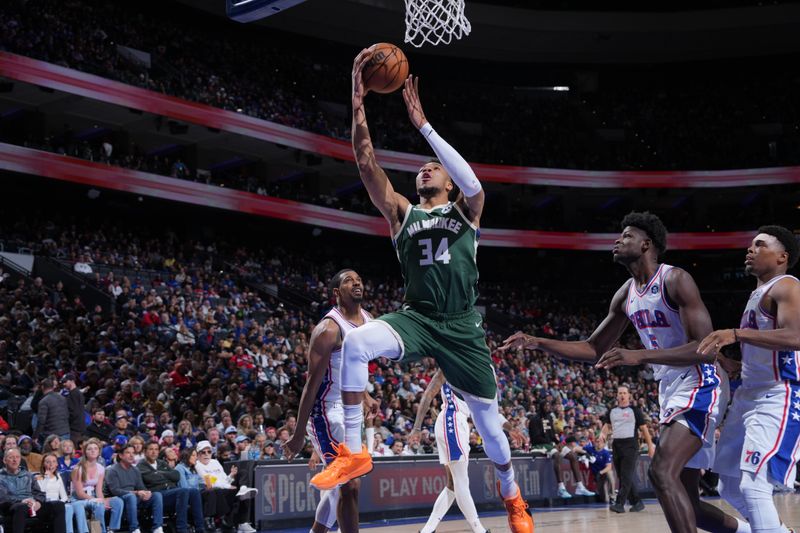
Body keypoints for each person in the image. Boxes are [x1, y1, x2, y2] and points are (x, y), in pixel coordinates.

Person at [309, 52, 533, 533]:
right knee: (355, 341)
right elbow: (366, 161)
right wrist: (357, 102)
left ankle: (512, 494)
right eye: (423, 167)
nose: (426, 170)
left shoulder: (465, 212)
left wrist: (424, 125)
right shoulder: (401, 215)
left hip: (463, 327)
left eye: (435, 168)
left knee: (492, 431)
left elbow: (473, 182)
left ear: (448, 183)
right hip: (418, 318)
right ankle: (352, 452)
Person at [502, 212, 744, 533]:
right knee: (688, 503)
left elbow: (707, 347)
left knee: (660, 473)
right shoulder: (626, 294)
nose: (618, 240)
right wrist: (537, 342)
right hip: (670, 386)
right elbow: (593, 349)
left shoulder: (675, 280)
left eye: (627, 236)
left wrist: (638, 355)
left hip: (702, 380)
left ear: (646, 244)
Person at [698, 225, 800, 533]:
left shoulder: (787, 285)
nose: (750, 249)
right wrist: (732, 364)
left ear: (782, 256)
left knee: (753, 485)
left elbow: (795, 336)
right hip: (749, 394)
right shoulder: (757, 294)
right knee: (729, 486)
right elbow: (765, 352)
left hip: (778, 394)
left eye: (760, 245)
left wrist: (735, 333)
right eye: (750, 245)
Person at [283, 269, 374, 533]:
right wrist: (299, 434)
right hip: (325, 412)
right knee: (349, 483)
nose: (356, 282)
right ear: (337, 293)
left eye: (359, 278)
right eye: (349, 280)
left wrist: (365, 395)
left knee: (342, 485)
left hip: (349, 409)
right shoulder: (328, 329)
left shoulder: (368, 320)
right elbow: (311, 385)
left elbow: (353, 365)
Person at [411, 369, 488, 533]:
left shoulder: (469, 366)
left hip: (456, 422)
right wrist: (417, 428)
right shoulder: (448, 365)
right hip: (452, 421)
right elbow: (427, 395)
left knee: (453, 484)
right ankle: (479, 529)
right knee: (461, 481)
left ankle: (427, 530)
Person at [599, 385, 653, 512]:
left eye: (624, 393)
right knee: (623, 477)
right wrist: (602, 433)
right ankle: (637, 502)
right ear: (617, 396)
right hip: (617, 445)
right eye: (620, 393)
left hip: (631, 446)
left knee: (626, 475)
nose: (622, 395)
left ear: (629, 395)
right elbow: (607, 426)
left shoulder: (635, 410)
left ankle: (619, 504)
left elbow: (644, 429)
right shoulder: (612, 411)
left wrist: (650, 445)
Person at [137, 441, 207, 533]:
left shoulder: (161, 463)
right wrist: (166, 475)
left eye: (156, 449)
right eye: (151, 449)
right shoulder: (141, 466)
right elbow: (151, 479)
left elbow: (176, 476)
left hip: (172, 492)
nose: (154, 452)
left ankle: (200, 528)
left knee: (194, 492)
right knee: (183, 491)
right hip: (158, 495)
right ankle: (181, 528)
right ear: (145, 451)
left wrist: (159, 473)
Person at [194, 440, 257, 533]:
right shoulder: (197, 465)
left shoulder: (215, 462)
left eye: (209, 451)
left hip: (225, 487)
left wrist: (231, 475)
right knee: (233, 493)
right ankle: (235, 521)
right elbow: (210, 482)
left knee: (243, 473)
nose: (206, 454)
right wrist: (227, 486)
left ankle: (244, 489)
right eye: (203, 452)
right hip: (216, 490)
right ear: (198, 454)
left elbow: (224, 479)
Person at [0, 448, 67, 533]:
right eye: (11, 457)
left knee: (58, 505)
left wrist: (38, 502)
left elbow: (40, 494)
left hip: (32, 505)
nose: (15, 460)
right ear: (4, 460)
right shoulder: (1, 477)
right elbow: (3, 498)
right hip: (12, 506)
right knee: (21, 506)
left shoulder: (28, 475)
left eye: (17, 457)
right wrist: (22, 501)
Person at [104, 444, 164, 533]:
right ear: (120, 455)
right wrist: (136, 492)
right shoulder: (112, 470)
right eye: (128, 453)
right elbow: (115, 491)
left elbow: (141, 487)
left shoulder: (135, 470)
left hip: (135, 498)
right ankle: (134, 528)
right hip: (119, 499)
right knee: (130, 496)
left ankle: (157, 528)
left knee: (156, 495)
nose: (131, 455)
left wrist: (146, 493)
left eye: (133, 453)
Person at [71, 438, 124, 533]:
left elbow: (99, 490)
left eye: (95, 448)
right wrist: (97, 500)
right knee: (98, 505)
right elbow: (79, 493)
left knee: (117, 501)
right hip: (79, 499)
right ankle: (100, 531)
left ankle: (112, 529)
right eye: (89, 449)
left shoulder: (100, 468)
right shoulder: (78, 469)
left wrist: (102, 500)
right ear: (85, 452)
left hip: (94, 497)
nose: (93, 450)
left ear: (99, 452)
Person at [36, 453, 81, 533]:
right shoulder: (38, 478)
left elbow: (64, 496)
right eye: (48, 462)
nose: (51, 464)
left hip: (58, 504)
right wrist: (46, 477)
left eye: (53, 462)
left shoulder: (58, 477)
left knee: (70, 507)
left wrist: (60, 503)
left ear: (57, 464)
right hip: (45, 504)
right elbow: (41, 493)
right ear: (43, 464)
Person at [35, 378, 71, 446]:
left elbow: (41, 421)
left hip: (52, 436)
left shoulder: (43, 401)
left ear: (42, 387)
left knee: (52, 455)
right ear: (53, 386)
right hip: (65, 432)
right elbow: (67, 415)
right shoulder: (63, 398)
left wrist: (35, 436)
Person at [62, 374, 86, 446]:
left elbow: (74, 412)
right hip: (79, 427)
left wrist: (65, 420)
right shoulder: (77, 392)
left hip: (75, 428)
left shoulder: (74, 394)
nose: (64, 384)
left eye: (66, 381)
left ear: (72, 381)